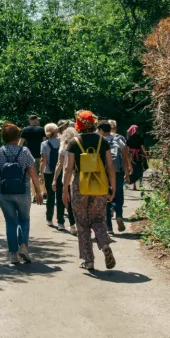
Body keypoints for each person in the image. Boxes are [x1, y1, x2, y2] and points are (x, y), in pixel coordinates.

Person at [61, 110, 117, 270]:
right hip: (99, 184)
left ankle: (88, 260)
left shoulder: (73, 143)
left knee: (82, 222)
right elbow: (110, 167)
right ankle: (105, 245)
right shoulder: (103, 142)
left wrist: (65, 189)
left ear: (78, 124)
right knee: (98, 218)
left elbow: (68, 169)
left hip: (80, 185)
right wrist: (113, 188)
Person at [0, 122, 43, 264]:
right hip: (22, 191)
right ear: (17, 136)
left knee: (11, 222)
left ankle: (13, 255)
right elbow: (33, 173)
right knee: (24, 219)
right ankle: (23, 246)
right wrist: (38, 191)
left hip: (3, 191)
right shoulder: (24, 151)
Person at [99, 121, 132, 234]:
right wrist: (127, 173)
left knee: (106, 196)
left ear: (101, 130)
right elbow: (125, 156)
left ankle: (109, 227)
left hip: (103, 172)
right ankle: (119, 215)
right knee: (118, 194)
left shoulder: (99, 141)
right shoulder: (119, 139)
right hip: (118, 171)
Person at [53, 120, 78, 234]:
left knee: (68, 201)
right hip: (79, 177)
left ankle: (72, 226)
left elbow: (59, 164)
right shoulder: (80, 144)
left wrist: (54, 179)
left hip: (67, 178)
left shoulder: (63, 147)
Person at [39, 123, 64, 228]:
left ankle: (49, 218)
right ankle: (61, 222)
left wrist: (41, 174)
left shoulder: (44, 144)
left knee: (50, 196)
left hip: (48, 172)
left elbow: (43, 160)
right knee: (60, 196)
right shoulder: (62, 142)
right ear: (56, 131)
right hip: (61, 171)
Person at [126, 125, 149, 190]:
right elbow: (142, 147)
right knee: (140, 168)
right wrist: (146, 155)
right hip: (138, 155)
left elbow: (127, 148)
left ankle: (134, 185)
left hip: (131, 155)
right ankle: (140, 183)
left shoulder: (128, 138)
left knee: (132, 169)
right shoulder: (140, 137)